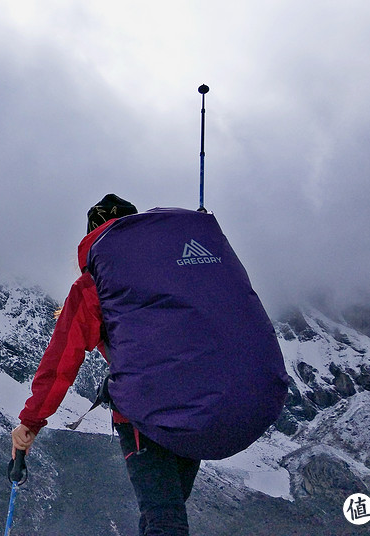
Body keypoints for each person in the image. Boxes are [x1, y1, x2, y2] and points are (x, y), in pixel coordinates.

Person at [12, 194, 228, 536]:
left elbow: (61, 360)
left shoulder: (93, 285)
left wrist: (31, 421)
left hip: (145, 408)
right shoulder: (175, 267)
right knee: (165, 511)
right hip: (200, 403)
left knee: (163, 517)